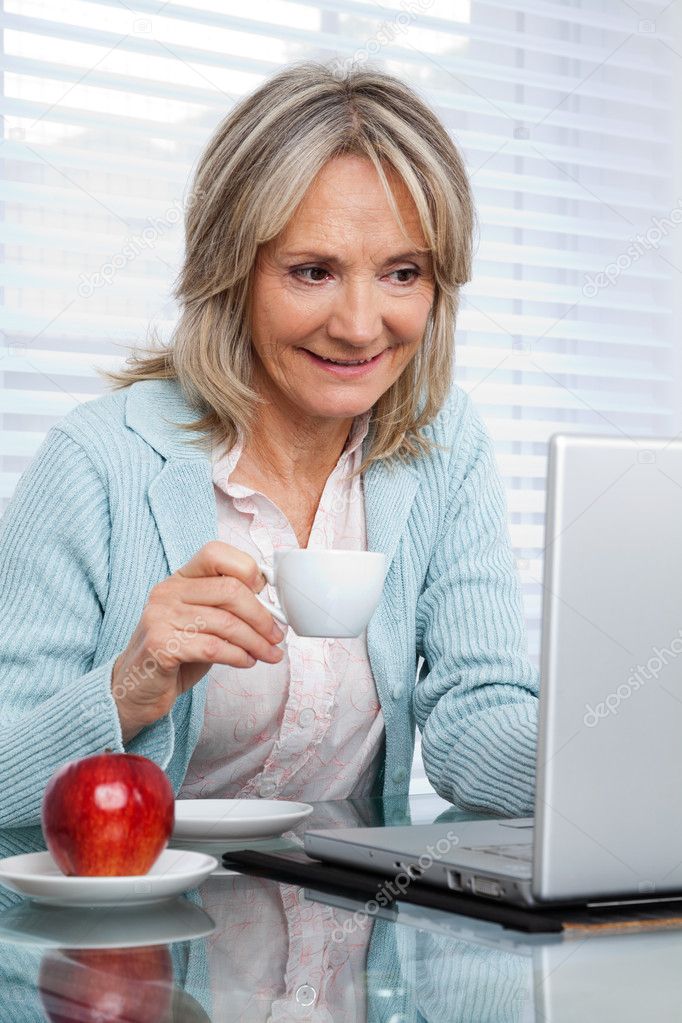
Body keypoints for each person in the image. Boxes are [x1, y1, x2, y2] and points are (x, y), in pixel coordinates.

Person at [0, 61, 538, 829]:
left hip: (352, 927)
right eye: (312, 271)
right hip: (141, 931)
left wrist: (617, 756)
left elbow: (475, 716)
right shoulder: (97, 460)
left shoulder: (443, 445)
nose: (359, 324)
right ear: (231, 272)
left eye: (402, 273)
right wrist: (129, 687)